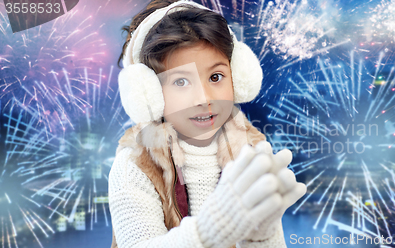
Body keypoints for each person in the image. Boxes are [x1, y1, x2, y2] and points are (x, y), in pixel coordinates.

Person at [108, 0, 307, 247]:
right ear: (149, 94)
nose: (203, 99)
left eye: (215, 77)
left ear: (237, 77)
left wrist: (262, 235)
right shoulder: (135, 164)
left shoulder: (250, 153)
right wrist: (211, 229)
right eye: (180, 82)